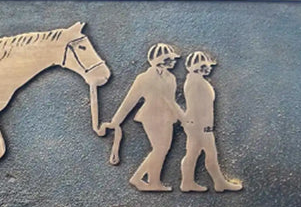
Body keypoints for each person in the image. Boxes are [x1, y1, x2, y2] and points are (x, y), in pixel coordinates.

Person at [101, 42, 183, 191]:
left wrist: (184, 118)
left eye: (173, 59)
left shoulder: (171, 78)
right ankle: (146, 180)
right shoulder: (144, 78)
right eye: (169, 59)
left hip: (167, 117)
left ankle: (147, 180)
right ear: (158, 60)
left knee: (163, 149)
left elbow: (171, 101)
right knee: (160, 148)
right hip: (150, 116)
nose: (173, 62)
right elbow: (130, 101)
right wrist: (115, 121)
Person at [179, 50, 241, 192]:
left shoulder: (198, 80)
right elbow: (195, 107)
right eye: (206, 66)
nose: (209, 68)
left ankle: (216, 183)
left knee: (203, 155)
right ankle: (191, 183)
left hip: (201, 126)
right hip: (199, 127)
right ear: (197, 66)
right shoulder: (196, 82)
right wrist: (200, 127)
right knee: (199, 155)